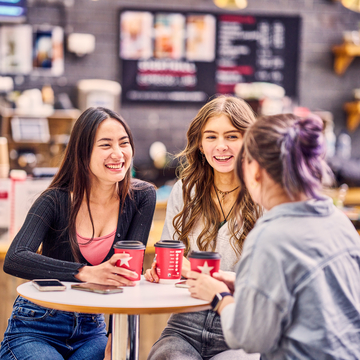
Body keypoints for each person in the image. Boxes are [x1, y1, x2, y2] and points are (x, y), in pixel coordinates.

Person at [187, 113, 360, 359]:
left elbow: (247, 337)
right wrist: (245, 285)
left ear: (255, 170)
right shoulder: (339, 221)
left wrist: (219, 296)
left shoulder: (270, 238)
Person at [0, 107, 156, 360]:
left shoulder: (141, 198)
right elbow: (16, 257)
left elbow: (129, 278)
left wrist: (113, 340)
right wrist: (84, 272)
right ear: (82, 153)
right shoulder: (54, 200)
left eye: (124, 143)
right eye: (105, 145)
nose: (118, 154)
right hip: (37, 325)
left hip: (91, 328)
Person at [145, 95, 262, 360]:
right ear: (199, 143)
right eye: (211, 137)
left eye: (232, 136)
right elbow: (172, 263)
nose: (221, 146)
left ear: (249, 141)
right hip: (185, 325)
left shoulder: (264, 195)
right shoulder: (184, 191)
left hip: (240, 325)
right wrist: (162, 271)